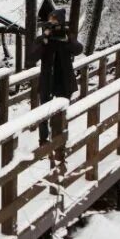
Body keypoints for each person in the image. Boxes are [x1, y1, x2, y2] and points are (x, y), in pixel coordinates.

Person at [29, 8, 83, 142]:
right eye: (50, 21)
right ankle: (43, 142)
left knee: (62, 112)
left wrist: (68, 40)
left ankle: (60, 141)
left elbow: (78, 50)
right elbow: (31, 57)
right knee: (43, 113)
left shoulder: (66, 36)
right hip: (47, 80)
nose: (52, 24)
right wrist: (44, 41)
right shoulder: (43, 39)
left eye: (55, 21)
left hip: (64, 80)